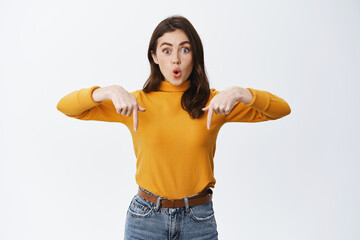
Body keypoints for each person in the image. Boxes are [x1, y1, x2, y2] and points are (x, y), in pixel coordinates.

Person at [56, 15, 291, 240]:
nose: (176, 59)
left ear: (194, 55)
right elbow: (65, 106)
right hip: (145, 220)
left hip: (198, 221)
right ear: (154, 56)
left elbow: (281, 109)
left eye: (184, 49)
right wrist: (107, 91)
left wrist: (242, 93)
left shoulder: (213, 103)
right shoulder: (134, 103)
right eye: (166, 50)